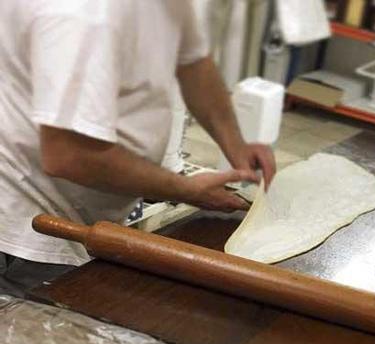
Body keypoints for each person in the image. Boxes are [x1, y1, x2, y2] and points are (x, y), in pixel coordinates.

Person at [0, 1, 276, 297]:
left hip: (84, 210)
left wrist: (235, 145)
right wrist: (186, 190)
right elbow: (69, 155)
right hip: (34, 223)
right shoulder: (84, 15)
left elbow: (194, 63)